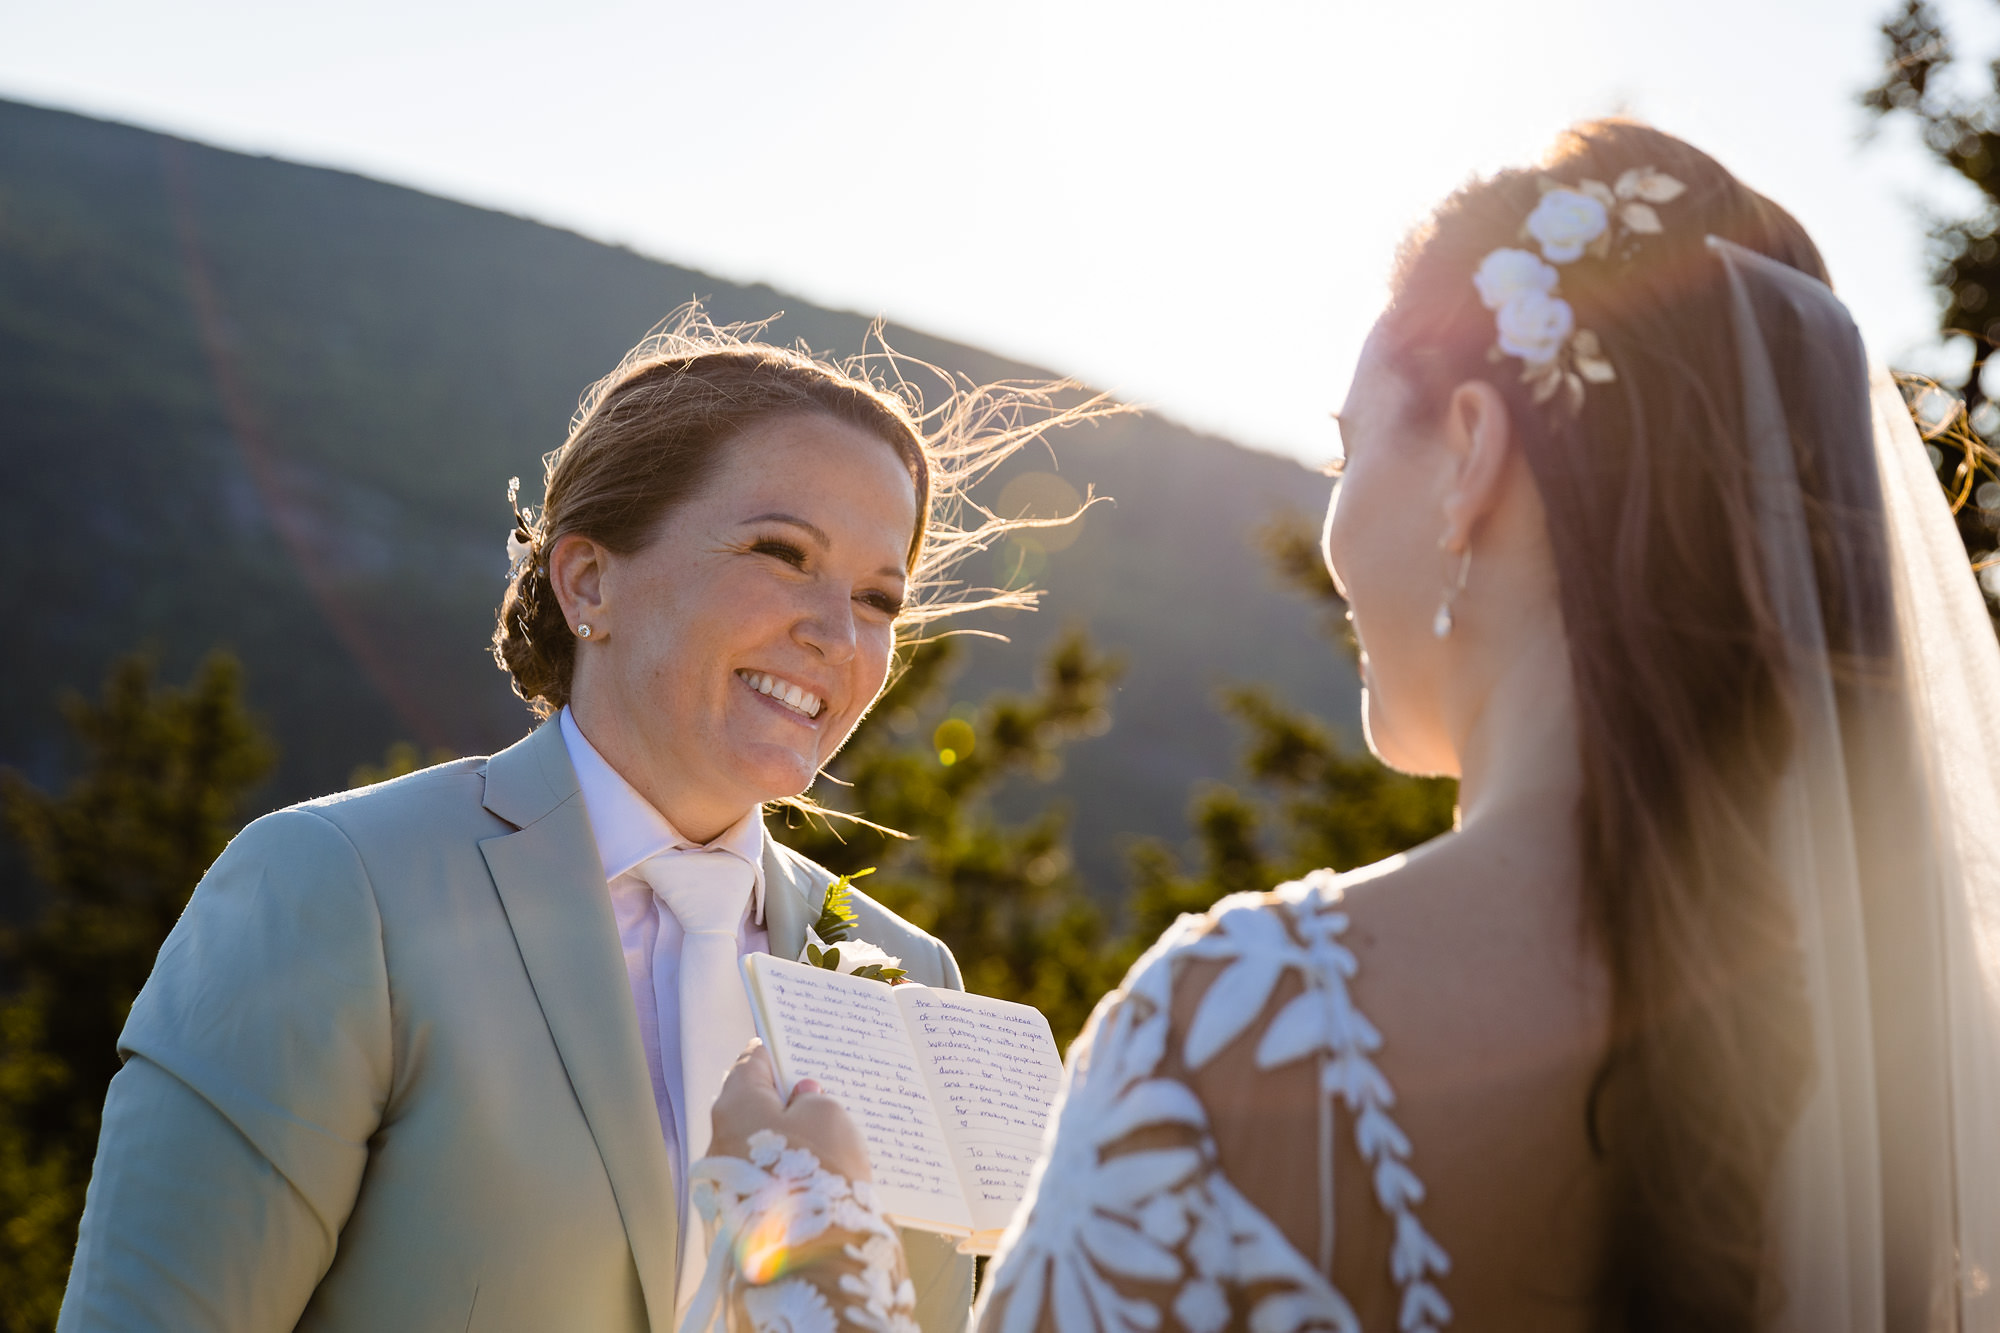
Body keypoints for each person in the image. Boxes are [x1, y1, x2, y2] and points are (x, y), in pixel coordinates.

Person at [687, 121, 2000, 1333]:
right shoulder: (1918, 1059)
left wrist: (809, 1240)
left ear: (1474, 451)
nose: (1331, 522)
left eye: (1345, 450)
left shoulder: (1249, 1026)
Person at [57, 315, 1113, 1332]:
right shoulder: (336, 889)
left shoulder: (908, 978)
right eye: (782, 552)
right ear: (588, 578)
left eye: (880, 598)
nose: (837, 633)